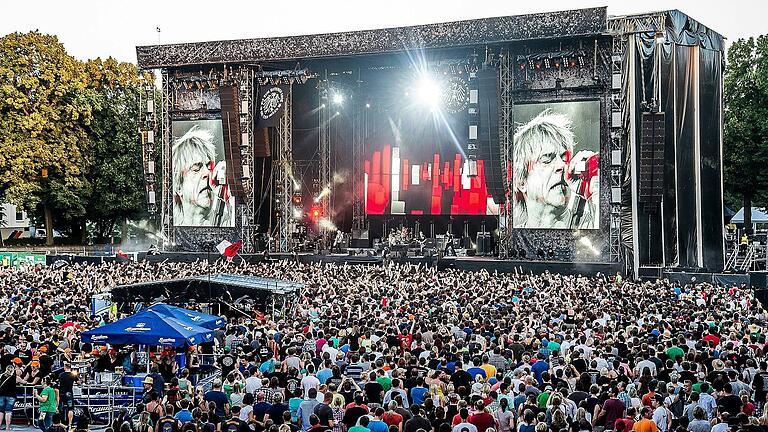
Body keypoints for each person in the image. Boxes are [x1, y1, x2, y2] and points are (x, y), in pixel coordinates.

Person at [512, 109, 598, 229]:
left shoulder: (592, 224)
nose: (561, 165)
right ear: (522, 182)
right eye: (546, 160)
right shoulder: (514, 239)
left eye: (564, 158)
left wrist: (596, 188)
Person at [172, 125, 234, 227]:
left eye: (209, 167)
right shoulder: (170, 232)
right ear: (178, 186)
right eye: (196, 168)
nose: (207, 173)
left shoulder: (228, 221)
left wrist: (230, 198)